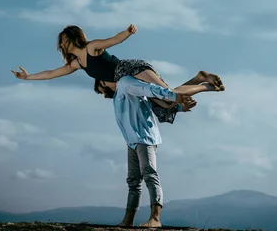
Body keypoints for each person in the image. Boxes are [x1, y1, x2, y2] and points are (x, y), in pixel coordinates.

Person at [12, 24, 225, 122]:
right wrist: (27, 77)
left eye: (64, 40)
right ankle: (199, 79)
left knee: (167, 95)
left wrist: (128, 32)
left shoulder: (91, 47)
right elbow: (51, 73)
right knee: (167, 103)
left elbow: (112, 40)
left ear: (73, 37)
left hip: (132, 69)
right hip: (126, 80)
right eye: (60, 42)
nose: (61, 44)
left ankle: (205, 84)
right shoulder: (78, 63)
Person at [94, 73, 215, 228]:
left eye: (101, 90)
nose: (104, 94)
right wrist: (178, 105)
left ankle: (155, 219)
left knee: (150, 175)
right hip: (132, 141)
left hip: (144, 138)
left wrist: (177, 103)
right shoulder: (120, 94)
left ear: (103, 81)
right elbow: (155, 102)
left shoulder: (126, 83)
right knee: (133, 181)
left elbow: (151, 92)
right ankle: (128, 220)